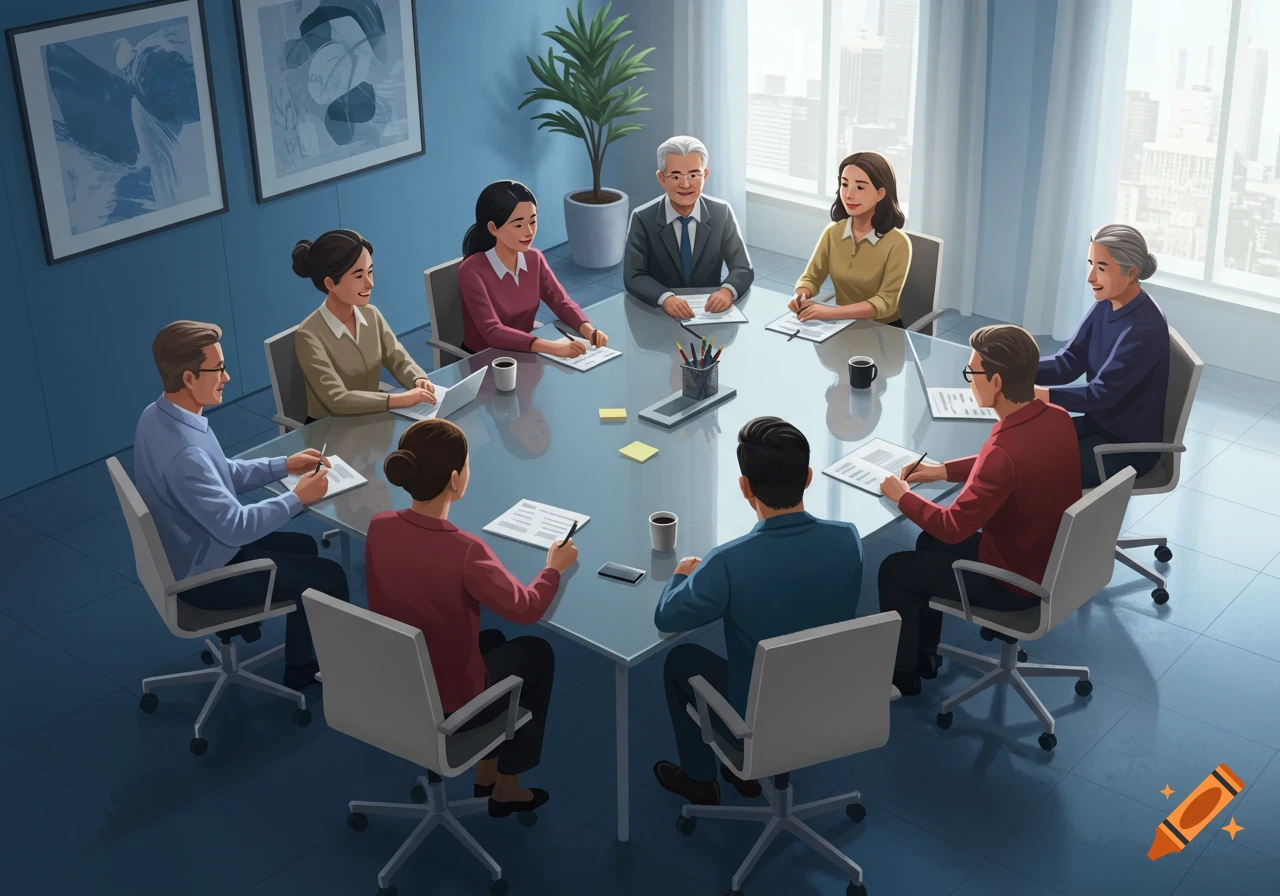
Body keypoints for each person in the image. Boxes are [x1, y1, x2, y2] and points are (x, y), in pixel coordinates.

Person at [365, 418, 578, 817]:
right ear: (454, 479)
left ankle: (487, 768)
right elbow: (527, 607)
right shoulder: (465, 550)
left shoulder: (379, 526)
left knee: (493, 640)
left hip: (396, 684)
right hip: (447, 707)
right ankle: (508, 787)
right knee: (535, 653)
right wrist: (553, 567)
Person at [651, 417, 864, 806]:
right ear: (809, 477)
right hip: (831, 702)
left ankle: (701, 780)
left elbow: (666, 618)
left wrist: (680, 576)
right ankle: (739, 771)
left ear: (745, 486)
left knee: (681, 660)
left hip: (760, 720)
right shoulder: (849, 538)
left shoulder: (729, 561)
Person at [133, 322, 350, 688]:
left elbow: (222, 473)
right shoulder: (186, 454)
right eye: (218, 369)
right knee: (329, 577)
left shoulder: (160, 415)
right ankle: (306, 673)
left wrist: (284, 464)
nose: (227, 377)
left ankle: (298, 657)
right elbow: (236, 526)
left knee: (305, 546)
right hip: (205, 575)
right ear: (188, 378)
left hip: (193, 548)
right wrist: (298, 497)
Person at [877, 325, 1081, 696]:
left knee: (895, 570)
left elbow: (954, 526)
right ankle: (924, 654)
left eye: (974, 373)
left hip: (1014, 581)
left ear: (997, 382)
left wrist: (900, 495)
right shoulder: (1057, 417)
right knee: (927, 543)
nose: (970, 381)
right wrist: (943, 470)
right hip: (1049, 560)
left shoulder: (1003, 450)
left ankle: (901, 676)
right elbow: (1012, 463)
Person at [1034, 224, 1170, 488]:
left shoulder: (1143, 329)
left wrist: (1042, 396)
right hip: (1098, 429)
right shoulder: (1106, 304)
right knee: (1021, 447)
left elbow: (1101, 395)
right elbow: (1068, 362)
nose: (1090, 277)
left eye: (1102, 268)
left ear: (1130, 273)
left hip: (1126, 450)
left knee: (1031, 468)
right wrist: (1016, 369)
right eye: (1090, 264)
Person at [291, 229, 436, 422]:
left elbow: (397, 357)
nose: (370, 284)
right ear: (330, 283)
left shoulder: (372, 314)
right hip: (331, 430)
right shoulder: (308, 334)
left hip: (373, 421)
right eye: (359, 276)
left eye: (370, 272)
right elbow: (336, 399)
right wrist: (397, 400)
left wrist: (418, 379)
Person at [457, 180, 608, 357]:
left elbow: (561, 302)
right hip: (486, 358)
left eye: (533, 221)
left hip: (526, 351)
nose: (529, 232)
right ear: (493, 228)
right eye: (518, 225)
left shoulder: (534, 258)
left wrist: (589, 330)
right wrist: (554, 348)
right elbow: (492, 331)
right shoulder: (471, 271)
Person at [623, 135, 755, 319]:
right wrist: (665, 298)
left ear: (705, 175)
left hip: (708, 313)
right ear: (661, 178)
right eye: (675, 176)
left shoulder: (721, 213)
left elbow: (743, 268)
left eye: (693, 175)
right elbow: (633, 275)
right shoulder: (643, 218)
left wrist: (727, 291)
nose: (685, 184)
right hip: (659, 314)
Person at [789, 151, 912, 328]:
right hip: (840, 325)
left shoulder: (898, 243)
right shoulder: (833, 233)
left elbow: (886, 303)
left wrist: (830, 312)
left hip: (883, 332)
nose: (848, 195)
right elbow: (811, 277)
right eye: (844, 185)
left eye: (860, 187)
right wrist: (800, 295)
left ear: (881, 193)